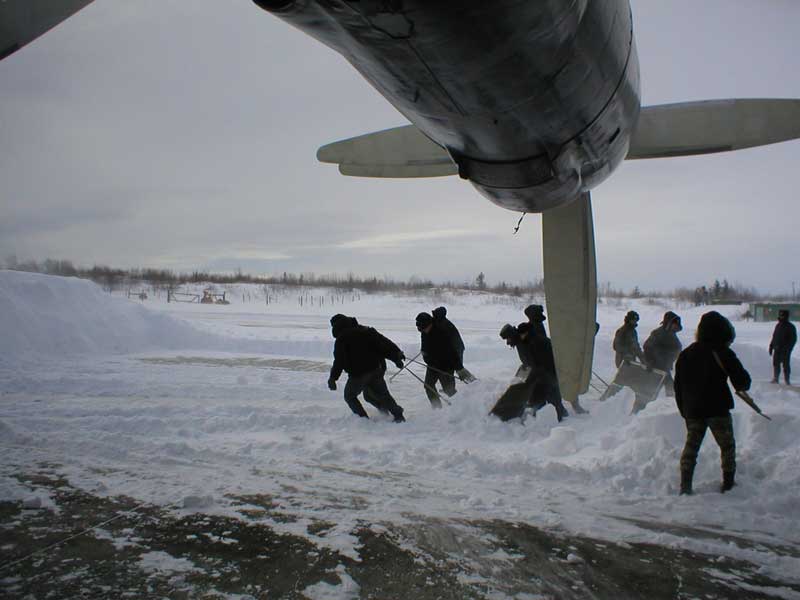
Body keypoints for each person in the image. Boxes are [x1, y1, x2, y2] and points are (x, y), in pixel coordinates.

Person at [674, 311, 751, 495]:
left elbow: (678, 386)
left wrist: (684, 410)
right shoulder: (723, 352)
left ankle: (685, 486)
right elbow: (742, 382)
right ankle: (728, 484)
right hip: (718, 409)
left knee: (691, 448)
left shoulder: (686, 354)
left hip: (693, 410)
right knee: (727, 446)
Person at [327, 314, 406, 422]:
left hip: (358, 375)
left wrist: (333, 378)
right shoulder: (366, 330)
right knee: (380, 395)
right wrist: (396, 356)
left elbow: (339, 361)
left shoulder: (342, 339)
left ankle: (363, 419)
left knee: (349, 396)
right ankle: (397, 415)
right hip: (376, 369)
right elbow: (383, 344)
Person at [495, 322, 569, 421]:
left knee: (551, 394)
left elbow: (541, 362)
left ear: (512, 335)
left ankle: (560, 417)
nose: (508, 342)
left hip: (549, 372)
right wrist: (519, 379)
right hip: (538, 371)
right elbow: (528, 362)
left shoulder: (534, 341)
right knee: (531, 394)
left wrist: (528, 378)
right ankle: (536, 414)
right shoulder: (521, 341)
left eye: (508, 339)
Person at [416, 311, 472, 408]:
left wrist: (459, 368)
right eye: (420, 330)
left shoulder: (441, 333)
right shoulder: (424, 331)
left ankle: (461, 408)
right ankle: (437, 408)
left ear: (430, 324)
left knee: (448, 390)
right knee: (428, 386)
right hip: (432, 364)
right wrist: (425, 355)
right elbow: (425, 346)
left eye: (424, 329)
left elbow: (452, 352)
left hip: (446, 365)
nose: (423, 331)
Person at [598, 310, 647, 403]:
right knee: (620, 382)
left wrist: (642, 359)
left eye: (636, 320)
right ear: (628, 320)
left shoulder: (633, 332)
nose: (635, 322)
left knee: (627, 381)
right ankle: (605, 399)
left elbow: (636, 346)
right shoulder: (622, 331)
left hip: (631, 361)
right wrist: (626, 355)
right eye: (633, 320)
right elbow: (616, 345)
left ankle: (633, 400)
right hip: (622, 361)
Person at [643, 311, 683, 398]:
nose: (676, 326)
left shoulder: (671, 333)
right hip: (656, 368)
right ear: (668, 323)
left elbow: (676, 348)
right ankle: (640, 408)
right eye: (674, 323)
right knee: (650, 392)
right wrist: (649, 361)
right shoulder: (657, 333)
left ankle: (668, 403)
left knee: (670, 389)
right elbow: (647, 347)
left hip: (664, 368)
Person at [769, 309, 797, 385]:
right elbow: (774, 337)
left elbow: (793, 340)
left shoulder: (790, 327)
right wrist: (771, 346)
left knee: (786, 365)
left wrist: (787, 349)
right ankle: (775, 378)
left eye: (782, 315)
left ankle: (787, 380)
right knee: (776, 364)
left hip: (785, 350)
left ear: (786, 316)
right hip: (777, 349)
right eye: (780, 315)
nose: (780, 317)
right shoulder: (778, 325)